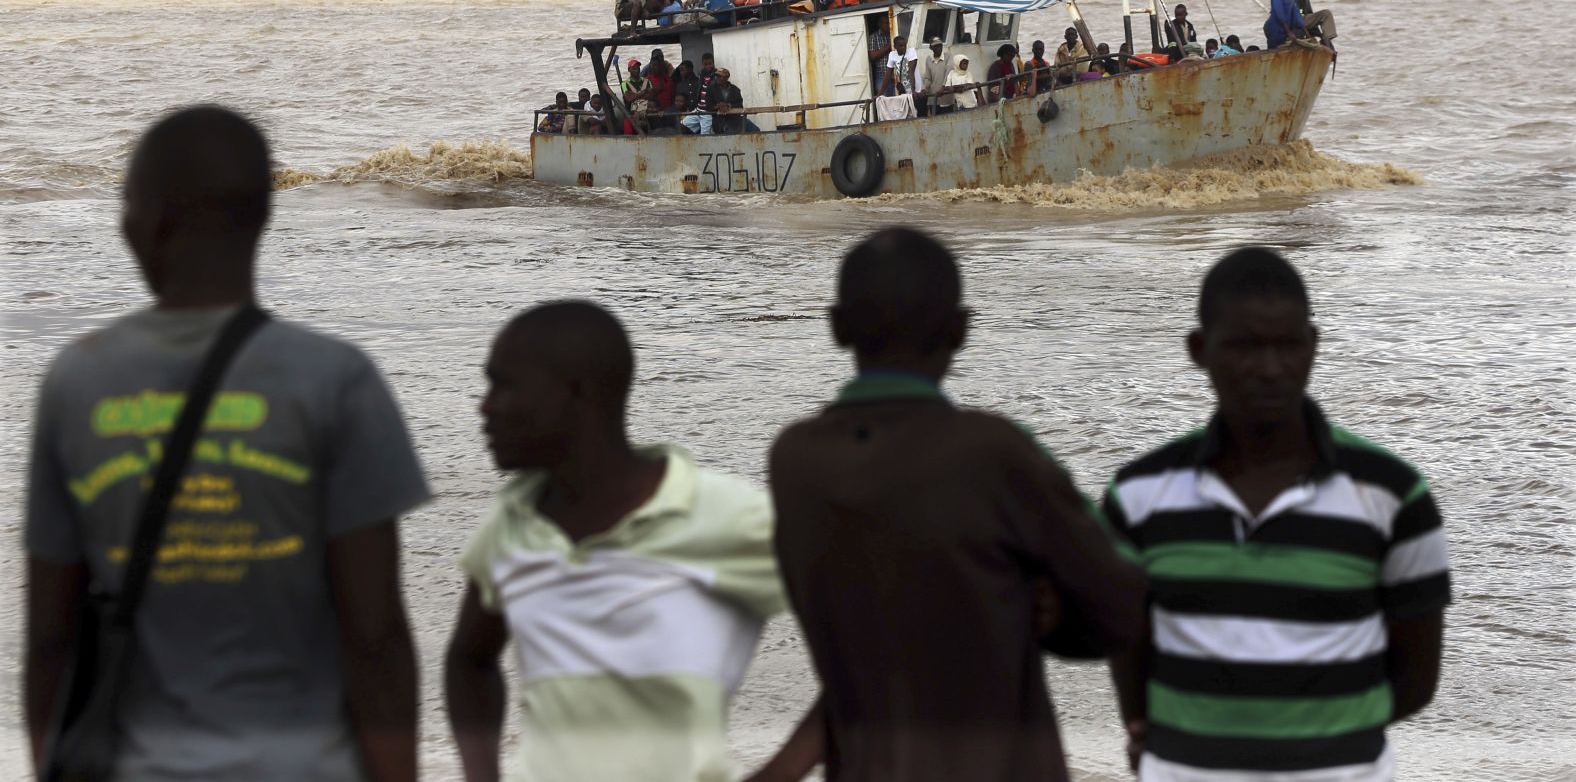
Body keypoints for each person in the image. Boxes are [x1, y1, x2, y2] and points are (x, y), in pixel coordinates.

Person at [25, 105, 429, 782]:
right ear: (263, 218)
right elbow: (377, 637)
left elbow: (50, 640)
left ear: (149, 221)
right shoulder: (336, 380)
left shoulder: (79, 381)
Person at [759, 227, 1147, 782]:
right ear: (961, 330)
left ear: (839, 327)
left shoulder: (794, 462)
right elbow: (1122, 603)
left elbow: (880, 650)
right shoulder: (992, 451)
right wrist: (1049, 615)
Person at [1105, 247, 1450, 781]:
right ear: (1200, 350)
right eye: (1245, 346)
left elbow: (1417, 678)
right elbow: (1128, 644)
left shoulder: (1392, 494)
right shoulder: (1139, 495)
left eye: (1288, 346)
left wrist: (1319, 742)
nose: (1270, 369)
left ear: (1313, 347)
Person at [446, 302, 784, 782]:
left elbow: (870, 645)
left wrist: (781, 772)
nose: (485, 406)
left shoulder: (727, 516)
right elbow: (469, 660)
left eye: (505, 385)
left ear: (579, 393)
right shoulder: (512, 522)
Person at [1265, 0, 1337, 50]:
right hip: (1279, 27)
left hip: (1297, 21)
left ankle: (1326, 40)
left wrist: (1314, 35)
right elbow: (1280, 13)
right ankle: (1325, 40)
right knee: (1274, 47)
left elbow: (1299, 14)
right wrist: (1290, 32)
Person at [919, 37, 951, 115]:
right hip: (933, 97)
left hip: (946, 97)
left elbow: (949, 73)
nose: (938, 48)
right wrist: (925, 89)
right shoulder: (929, 59)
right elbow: (928, 77)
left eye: (940, 45)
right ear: (931, 48)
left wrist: (943, 88)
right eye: (935, 46)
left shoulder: (948, 56)